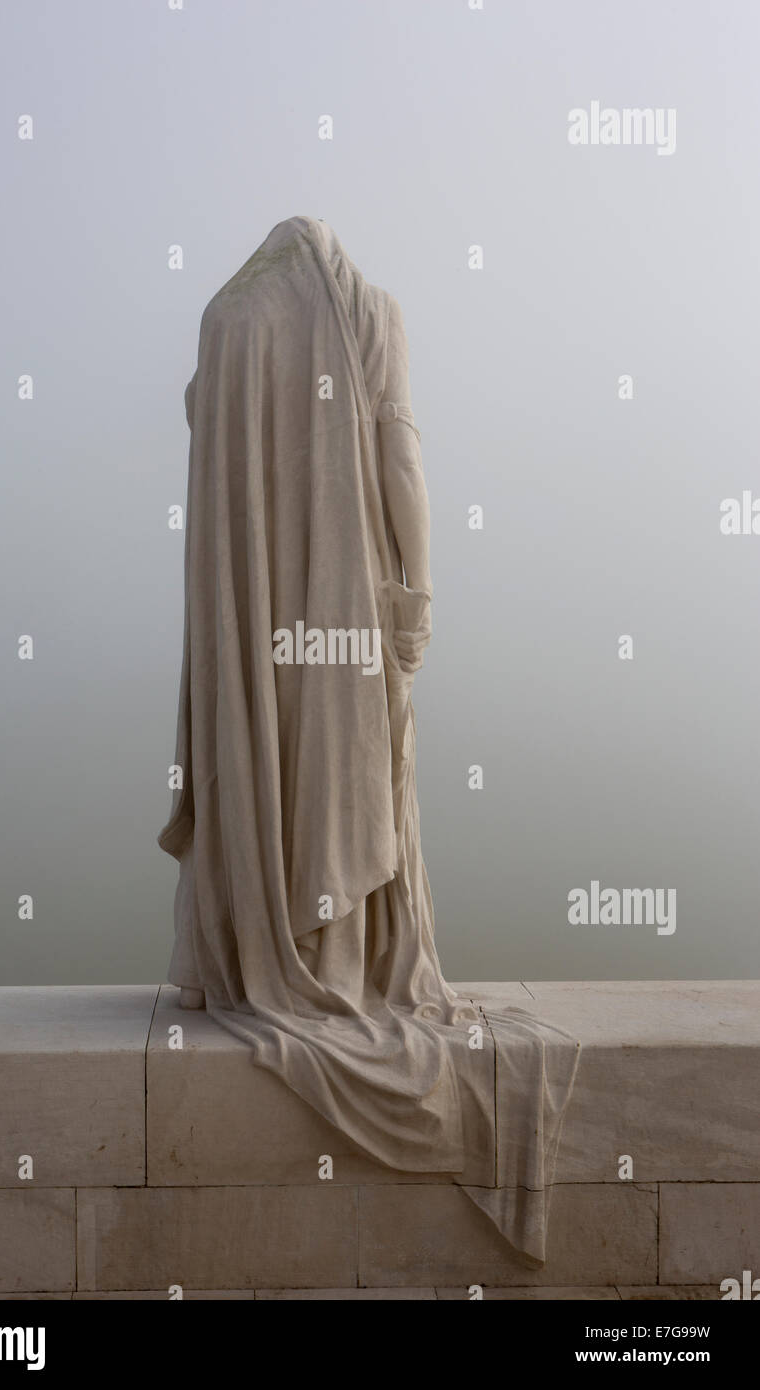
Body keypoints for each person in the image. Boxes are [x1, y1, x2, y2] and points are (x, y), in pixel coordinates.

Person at [157, 215, 579, 1262]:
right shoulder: (370, 312)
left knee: (279, 768)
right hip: (347, 614)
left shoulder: (227, 320)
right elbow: (400, 466)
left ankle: (273, 943)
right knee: (357, 785)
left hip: (254, 631)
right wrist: (416, 597)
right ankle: (345, 951)